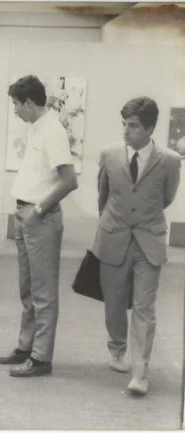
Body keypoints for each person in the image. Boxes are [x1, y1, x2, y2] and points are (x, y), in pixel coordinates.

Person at [91, 97, 181, 396]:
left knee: (144, 308)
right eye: (124, 124)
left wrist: (142, 216)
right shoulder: (108, 153)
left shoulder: (169, 159)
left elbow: (166, 197)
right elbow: (102, 195)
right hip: (114, 235)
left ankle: (140, 372)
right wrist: (112, 222)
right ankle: (117, 349)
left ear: (151, 128)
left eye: (133, 126)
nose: (126, 131)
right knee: (114, 302)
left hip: (149, 239)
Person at [0, 75, 78, 378]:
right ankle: (26, 346)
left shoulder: (52, 130)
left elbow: (70, 180)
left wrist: (38, 210)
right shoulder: (36, 127)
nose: (15, 110)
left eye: (16, 104)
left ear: (29, 102)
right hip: (25, 213)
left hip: (39, 216)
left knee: (42, 292)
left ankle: (42, 358)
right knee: (27, 289)